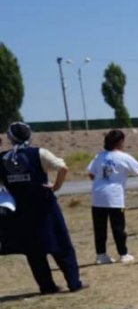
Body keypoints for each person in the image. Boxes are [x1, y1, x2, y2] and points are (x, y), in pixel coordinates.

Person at [0, 123, 84, 294]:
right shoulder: (39, 153)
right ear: (29, 136)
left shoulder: (2, 158)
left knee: (34, 250)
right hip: (45, 206)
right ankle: (74, 282)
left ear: (10, 138)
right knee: (61, 244)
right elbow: (62, 167)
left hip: (21, 209)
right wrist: (55, 186)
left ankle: (47, 286)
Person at [85, 129, 138, 264]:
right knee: (118, 226)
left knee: (100, 228)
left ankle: (101, 255)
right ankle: (123, 254)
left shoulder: (99, 156)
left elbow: (91, 174)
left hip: (97, 195)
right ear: (120, 142)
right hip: (114, 196)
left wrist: (103, 180)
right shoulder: (123, 157)